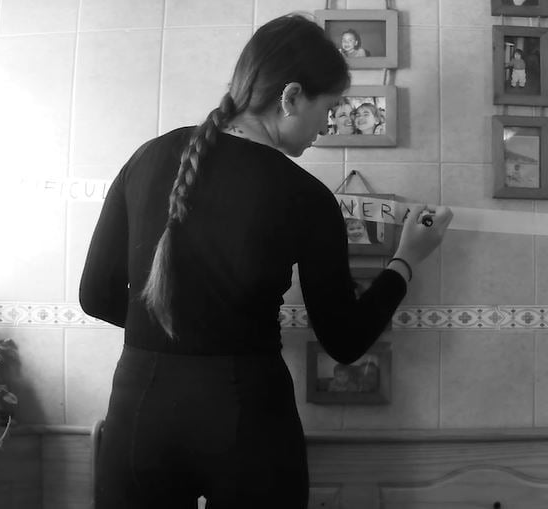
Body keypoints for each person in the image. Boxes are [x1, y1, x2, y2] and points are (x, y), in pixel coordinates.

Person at [78, 13, 453, 509]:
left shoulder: (147, 157)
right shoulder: (305, 195)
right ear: (291, 97)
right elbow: (344, 340)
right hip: (247, 416)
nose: (327, 126)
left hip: (140, 410)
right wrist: (407, 258)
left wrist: (170, 335)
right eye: (328, 108)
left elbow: (95, 296)